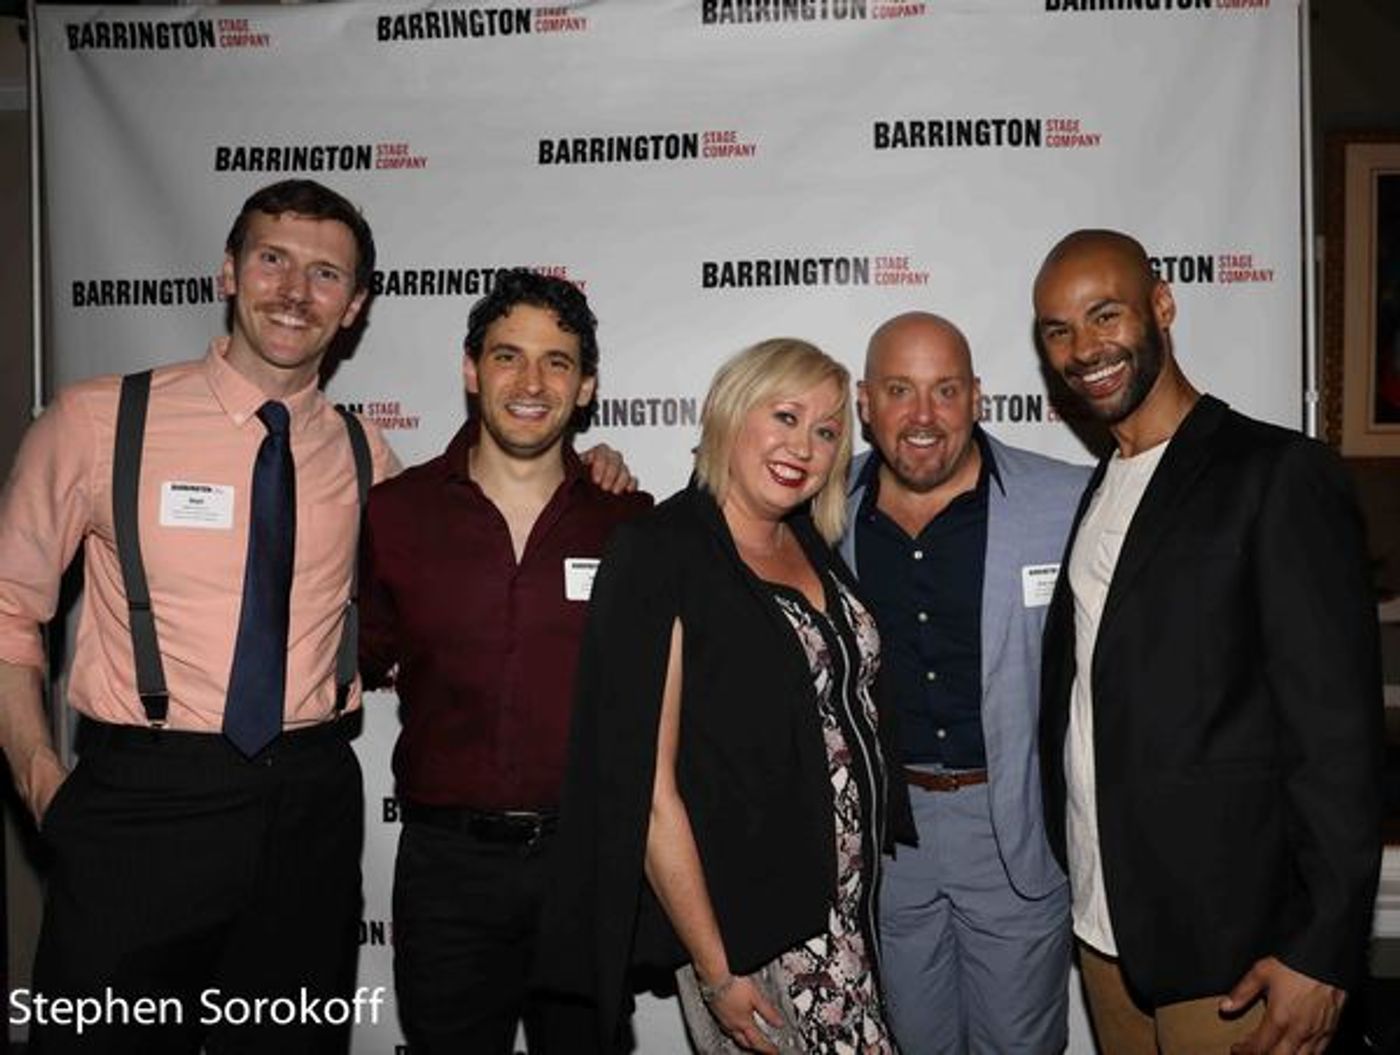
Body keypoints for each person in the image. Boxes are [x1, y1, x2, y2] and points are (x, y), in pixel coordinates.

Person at [0, 179, 397, 1053]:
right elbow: (7, 609)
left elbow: (463, 561)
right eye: (272, 259)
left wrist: (594, 472)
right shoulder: (99, 419)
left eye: (326, 273)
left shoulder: (370, 456)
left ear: (355, 306)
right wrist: (39, 779)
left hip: (308, 806)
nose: (295, 292)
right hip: (141, 803)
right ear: (227, 271)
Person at [1033, 229, 1383, 1054]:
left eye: (1105, 314)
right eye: (1057, 330)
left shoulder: (1276, 474)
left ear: (1162, 305)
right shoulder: (1103, 484)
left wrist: (1323, 947)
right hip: (1109, 931)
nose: (1084, 349)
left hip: (1238, 951)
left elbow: (1338, 735)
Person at [540, 339, 913, 1054]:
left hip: (845, 909)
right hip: (753, 928)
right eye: (785, 414)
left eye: (828, 430)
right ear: (730, 413)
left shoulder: (806, 540)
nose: (804, 444)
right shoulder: (659, 551)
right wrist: (716, 972)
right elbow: (650, 795)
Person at [356, 269, 651, 1054]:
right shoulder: (395, 514)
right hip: (446, 871)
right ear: (470, 368)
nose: (530, 381)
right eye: (507, 355)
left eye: (557, 362)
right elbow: (349, 659)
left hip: (584, 863)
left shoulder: (630, 521)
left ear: (586, 386)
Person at [840, 312, 1086, 1054]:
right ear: (864, 402)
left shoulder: (1065, 501)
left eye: (945, 389)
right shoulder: (816, 506)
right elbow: (711, 515)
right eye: (899, 390)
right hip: (889, 840)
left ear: (977, 396)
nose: (922, 416)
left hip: (1013, 830)